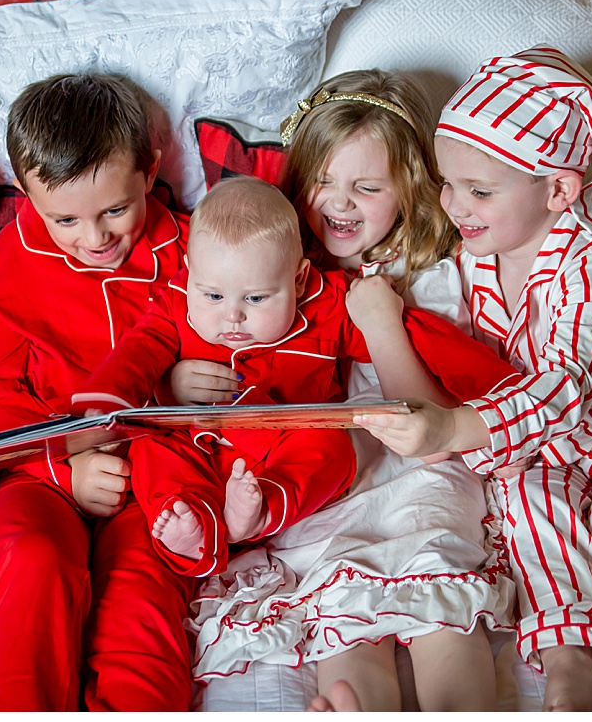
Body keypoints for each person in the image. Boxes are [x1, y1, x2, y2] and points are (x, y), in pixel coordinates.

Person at [353, 46, 592, 711]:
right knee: (529, 516)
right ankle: (569, 658)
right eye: (449, 184)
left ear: (559, 190)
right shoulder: (479, 251)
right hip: (537, 446)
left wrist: (454, 425)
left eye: (478, 191)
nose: (454, 205)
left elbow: (562, 386)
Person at [180, 71, 520, 712]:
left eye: (367, 187)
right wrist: (179, 376)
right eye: (324, 182)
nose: (340, 204)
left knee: (439, 607)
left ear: (410, 190)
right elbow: (218, 346)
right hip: (321, 487)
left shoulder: (429, 277)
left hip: (412, 478)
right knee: (343, 606)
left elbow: (435, 429)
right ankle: (358, 703)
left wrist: (380, 322)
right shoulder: (266, 265)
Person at [0, 73, 195, 712]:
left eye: (115, 211)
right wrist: (64, 463)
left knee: (141, 592)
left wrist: (175, 379)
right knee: (32, 561)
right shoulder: (16, 258)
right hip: (38, 469)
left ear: (150, 171)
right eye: (64, 218)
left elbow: (232, 340)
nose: (94, 239)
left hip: (151, 472)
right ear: (27, 196)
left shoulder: (187, 244)